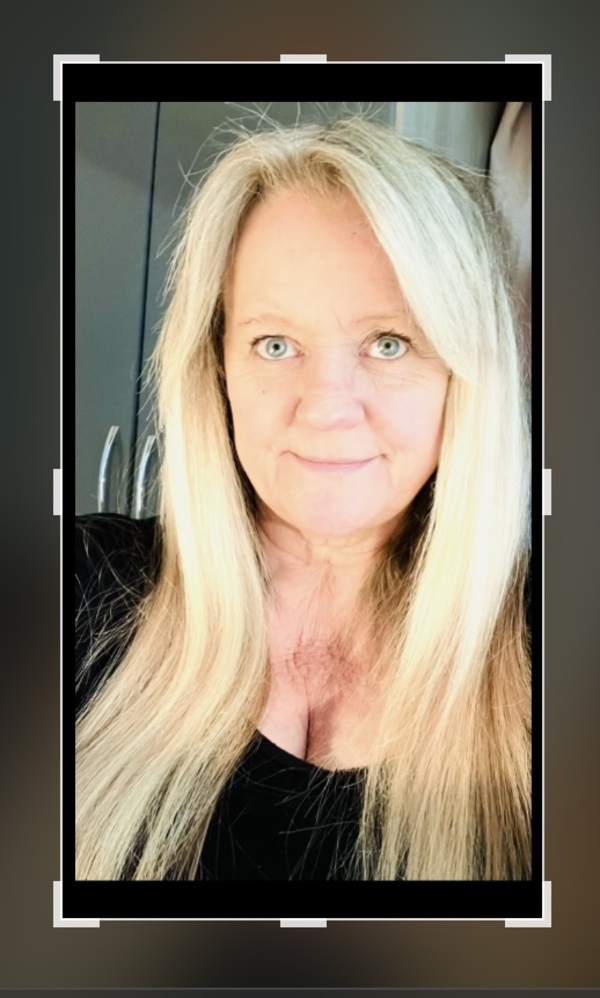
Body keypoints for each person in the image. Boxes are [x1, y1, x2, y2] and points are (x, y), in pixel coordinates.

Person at [75, 115, 531, 882]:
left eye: (389, 342)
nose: (325, 409)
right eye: (275, 344)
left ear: (466, 374)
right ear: (217, 368)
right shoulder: (80, 588)